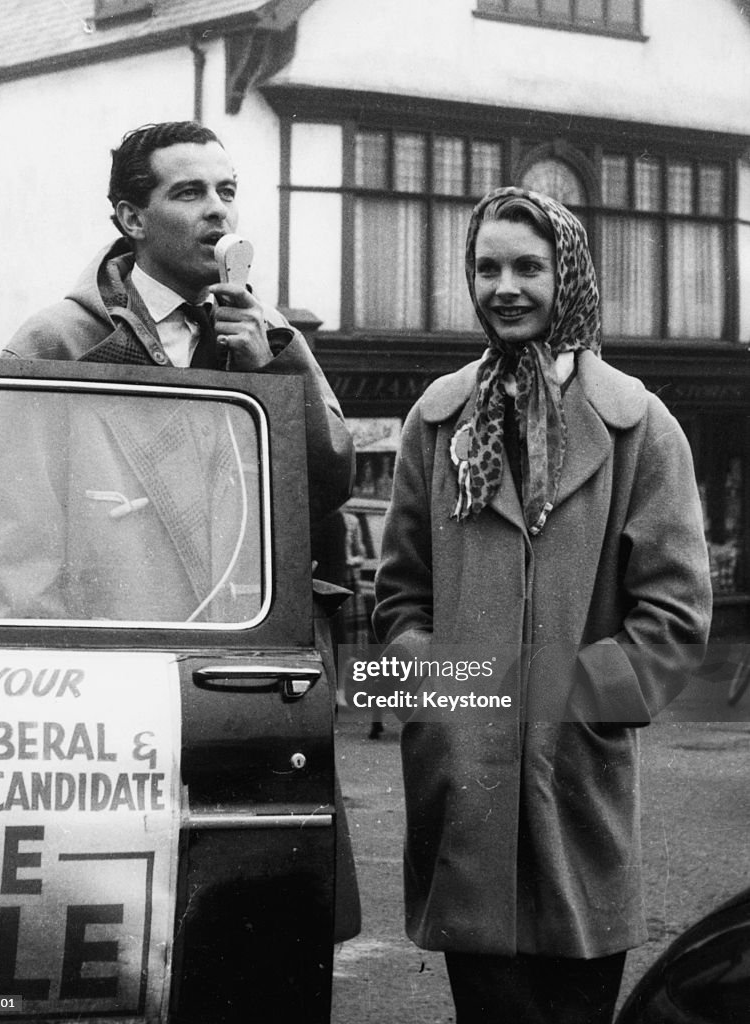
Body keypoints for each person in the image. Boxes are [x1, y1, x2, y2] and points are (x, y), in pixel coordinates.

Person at [372, 187, 712, 1023]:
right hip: (466, 793)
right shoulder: (436, 420)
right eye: (486, 268)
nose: (505, 287)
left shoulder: (640, 427)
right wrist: (453, 701)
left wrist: (563, 702)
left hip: (577, 785)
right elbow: (398, 599)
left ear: (570, 277)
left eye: (529, 266)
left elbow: (672, 625)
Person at [0, 120, 354, 619]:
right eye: (189, 193)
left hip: (245, 652)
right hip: (122, 656)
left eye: (227, 190)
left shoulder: (268, 335)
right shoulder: (54, 345)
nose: (218, 209)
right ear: (133, 219)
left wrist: (269, 373)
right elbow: (20, 564)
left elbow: (328, 487)